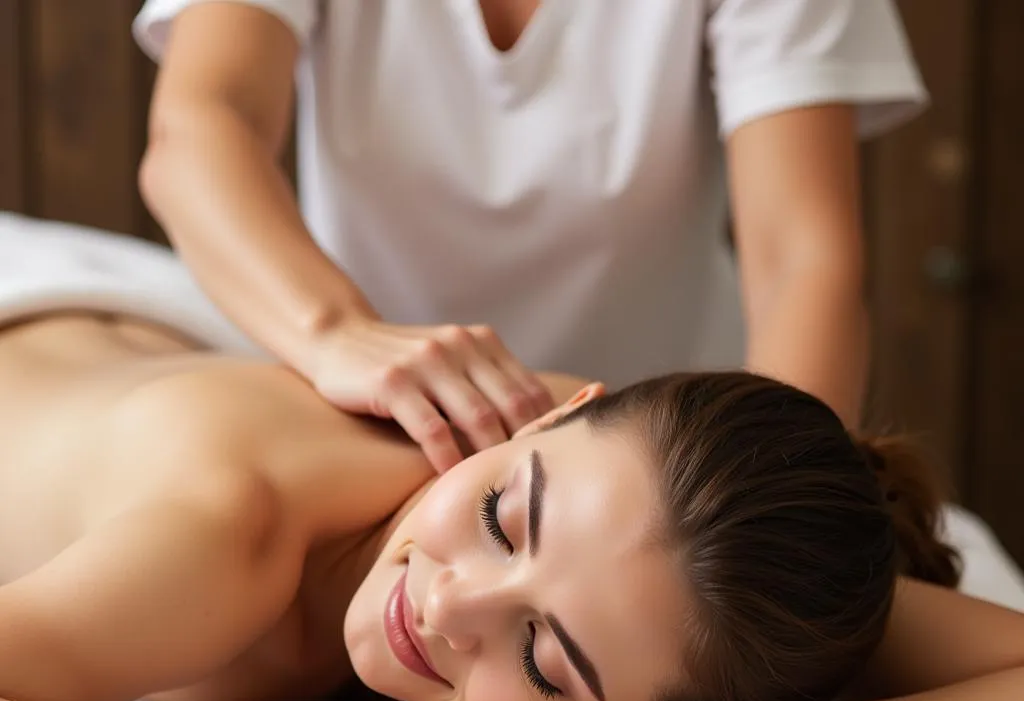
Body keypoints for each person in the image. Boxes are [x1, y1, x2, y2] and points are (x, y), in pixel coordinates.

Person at [2, 262, 1024, 701]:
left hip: (133, 343)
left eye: (544, 659)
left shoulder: (674, 550)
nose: (449, 604)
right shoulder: (223, 533)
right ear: (553, 410)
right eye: (500, 516)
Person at [132, 0, 927, 473]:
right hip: (370, 424)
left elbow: (800, 255)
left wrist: (760, 498)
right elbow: (204, 126)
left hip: (662, 458)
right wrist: (337, 334)